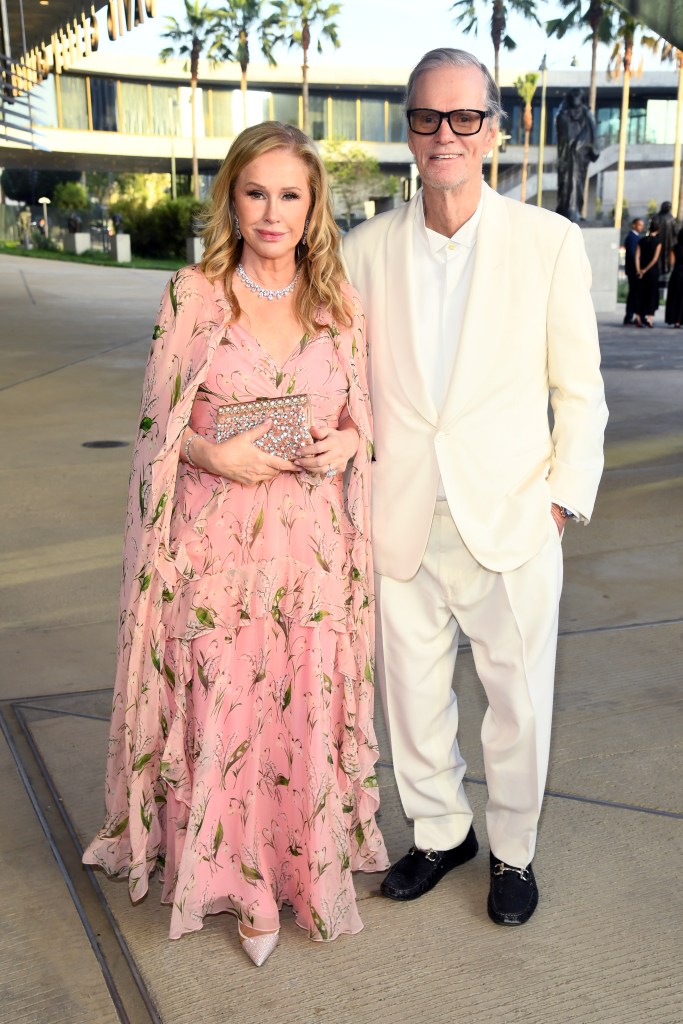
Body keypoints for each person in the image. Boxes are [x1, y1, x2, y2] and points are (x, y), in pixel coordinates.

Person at [83, 121, 388, 965]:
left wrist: (350, 444)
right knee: (227, 704)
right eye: (255, 192)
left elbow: (363, 417)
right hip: (217, 544)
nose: (271, 211)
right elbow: (155, 424)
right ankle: (242, 885)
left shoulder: (339, 303)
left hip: (311, 554)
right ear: (232, 197)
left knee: (298, 702)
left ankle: (300, 870)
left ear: (313, 204)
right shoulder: (193, 296)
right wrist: (212, 451)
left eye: (290, 194)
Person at [343, 48, 608, 927]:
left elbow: (579, 392)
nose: (445, 134)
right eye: (428, 117)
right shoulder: (364, 252)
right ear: (408, 128)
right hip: (402, 514)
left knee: (518, 703)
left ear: (494, 128)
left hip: (513, 515)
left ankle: (514, 852)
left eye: (464, 118)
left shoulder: (547, 243)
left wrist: (562, 501)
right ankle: (437, 832)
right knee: (412, 694)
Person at [555, 88, 599, 222]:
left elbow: (592, 135)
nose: (575, 99)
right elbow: (563, 134)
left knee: (578, 183)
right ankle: (566, 210)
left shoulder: (587, 115)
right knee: (565, 183)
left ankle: (575, 210)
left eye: (578, 96)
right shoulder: (563, 114)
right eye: (573, 96)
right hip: (567, 157)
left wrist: (581, 145)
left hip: (580, 158)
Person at [634, 217, 662, 328]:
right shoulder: (658, 242)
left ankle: (638, 317)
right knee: (652, 294)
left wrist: (639, 270)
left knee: (641, 294)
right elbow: (655, 259)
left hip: (640, 271)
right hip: (652, 272)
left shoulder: (641, 241)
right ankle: (649, 319)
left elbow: (637, 256)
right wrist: (645, 270)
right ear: (658, 230)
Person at [623, 217, 644, 325]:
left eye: (642, 225)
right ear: (634, 225)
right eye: (639, 225)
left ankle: (630, 316)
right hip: (633, 270)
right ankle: (629, 316)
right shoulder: (632, 237)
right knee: (633, 293)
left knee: (633, 293)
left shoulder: (635, 237)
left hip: (632, 269)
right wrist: (638, 267)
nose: (641, 227)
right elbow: (632, 254)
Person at [664, 226, 683, 327]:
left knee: (675, 297)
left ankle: (676, 320)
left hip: (677, 274)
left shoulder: (675, 248)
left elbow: (671, 262)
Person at [656, 200, 677, 277]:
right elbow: (675, 231)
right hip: (663, 241)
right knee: (662, 256)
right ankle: (664, 270)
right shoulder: (670, 218)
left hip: (666, 242)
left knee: (664, 256)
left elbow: (675, 231)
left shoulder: (670, 218)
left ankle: (665, 270)